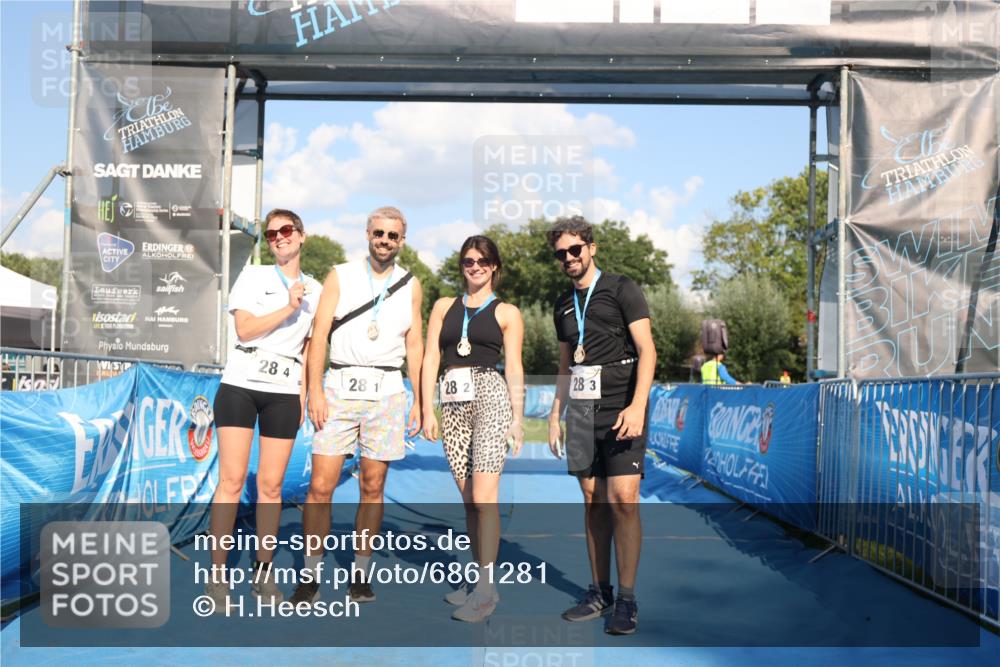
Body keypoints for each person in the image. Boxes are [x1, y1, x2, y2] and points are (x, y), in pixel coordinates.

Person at [292, 206, 423, 605]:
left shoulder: (411, 284)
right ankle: (310, 576)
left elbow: (415, 344)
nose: (385, 241)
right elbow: (319, 335)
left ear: (402, 241)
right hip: (339, 387)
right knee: (320, 487)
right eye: (379, 233)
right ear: (367, 234)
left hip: (387, 391)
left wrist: (420, 399)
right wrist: (315, 390)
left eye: (393, 236)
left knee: (373, 486)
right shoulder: (341, 275)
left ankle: (361, 575)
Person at [206, 208, 322, 609]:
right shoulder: (254, 276)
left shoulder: (317, 290)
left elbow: (310, 348)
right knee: (232, 481)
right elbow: (244, 329)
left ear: (302, 235)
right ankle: (218, 577)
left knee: (271, 487)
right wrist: (288, 307)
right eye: (272, 234)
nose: (279, 237)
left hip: (284, 391)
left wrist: (305, 395)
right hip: (240, 384)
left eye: (286, 230)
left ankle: (262, 573)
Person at [546, 216, 656, 636]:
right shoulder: (561, 304)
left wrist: (638, 405)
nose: (569, 258)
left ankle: (627, 599)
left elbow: (648, 350)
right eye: (561, 253)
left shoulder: (622, 288)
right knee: (593, 501)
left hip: (621, 405)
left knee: (623, 499)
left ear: (591, 248)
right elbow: (565, 365)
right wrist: (555, 415)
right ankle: (599, 591)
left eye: (575, 249)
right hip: (581, 410)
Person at [421, 235, 525, 622]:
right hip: (452, 402)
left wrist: (517, 417)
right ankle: (478, 580)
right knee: (469, 500)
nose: (475, 267)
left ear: (494, 266)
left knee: (484, 497)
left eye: (483, 261)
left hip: (490, 397)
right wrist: (426, 408)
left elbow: (514, 366)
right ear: (462, 266)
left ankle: (485, 590)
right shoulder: (443, 306)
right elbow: (431, 357)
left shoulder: (507, 312)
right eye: (468, 261)